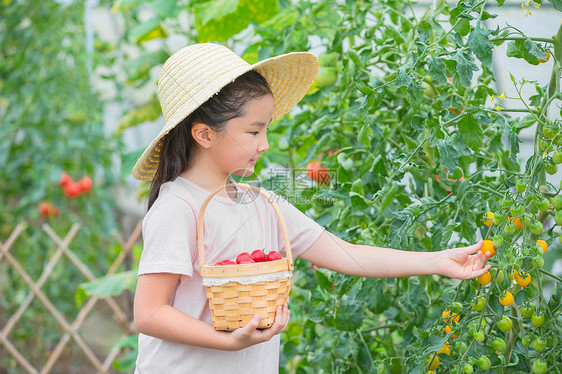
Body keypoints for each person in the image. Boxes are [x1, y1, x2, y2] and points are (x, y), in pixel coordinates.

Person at [132, 43, 491, 373]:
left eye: (267, 129)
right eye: (254, 132)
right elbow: (149, 313)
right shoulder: (178, 206)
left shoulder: (265, 205)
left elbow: (347, 254)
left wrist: (435, 261)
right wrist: (227, 341)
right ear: (204, 135)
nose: (266, 144)